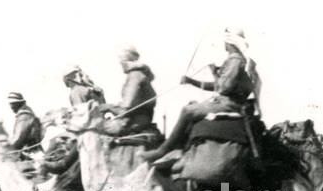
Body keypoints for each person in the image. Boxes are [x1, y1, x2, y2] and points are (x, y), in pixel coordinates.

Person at [142, 28, 260, 163]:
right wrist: (192, 81)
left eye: (225, 41)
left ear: (230, 43)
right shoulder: (238, 61)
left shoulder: (236, 61)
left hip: (229, 104)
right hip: (228, 102)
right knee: (192, 105)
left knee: (188, 111)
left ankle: (163, 150)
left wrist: (215, 73)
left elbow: (224, 88)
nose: (224, 44)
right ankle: (179, 150)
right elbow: (222, 86)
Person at [106, 46, 157, 131]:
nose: (120, 64)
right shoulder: (139, 74)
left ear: (125, 61)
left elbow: (126, 108)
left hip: (135, 122)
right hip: (142, 119)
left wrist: (108, 107)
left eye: (121, 61)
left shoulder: (134, 76)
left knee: (94, 128)